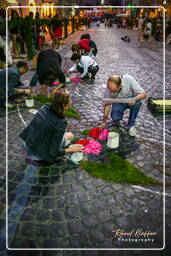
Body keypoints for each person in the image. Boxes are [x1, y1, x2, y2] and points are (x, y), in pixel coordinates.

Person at [19, 91, 84, 165]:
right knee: (70, 135)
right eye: (69, 101)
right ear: (63, 105)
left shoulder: (44, 107)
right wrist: (71, 149)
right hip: (37, 156)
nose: (71, 102)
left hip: (26, 144)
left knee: (57, 136)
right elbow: (53, 152)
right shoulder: (61, 122)